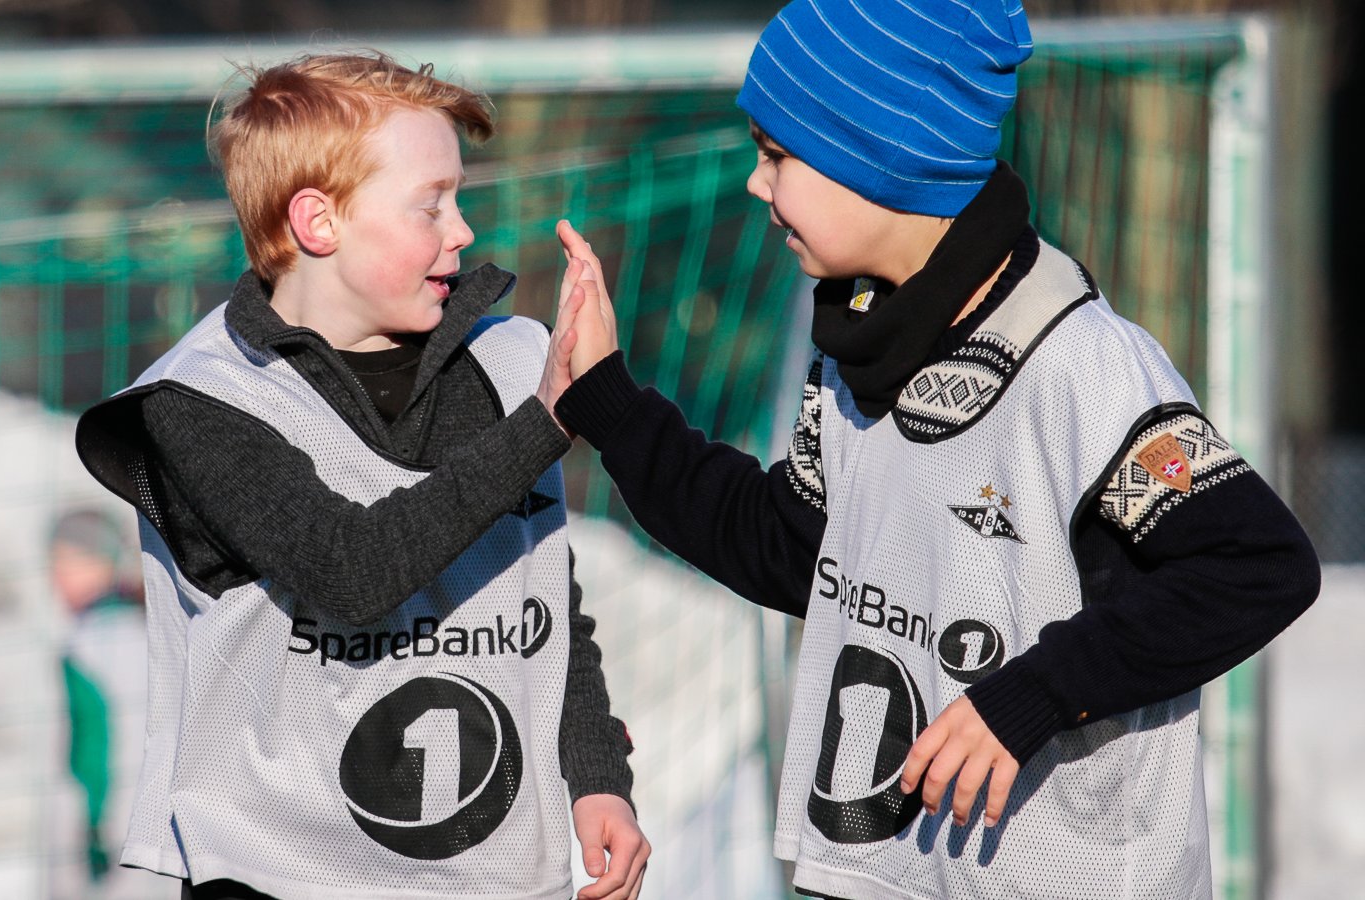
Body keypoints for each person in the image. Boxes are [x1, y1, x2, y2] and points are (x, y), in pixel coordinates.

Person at [548, 1, 1321, 898]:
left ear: (881, 162)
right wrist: (608, 401)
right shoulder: (853, 341)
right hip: (881, 875)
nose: (756, 187)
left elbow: (1256, 564)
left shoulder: (1085, 368)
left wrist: (1031, 695)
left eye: (778, 157)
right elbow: (789, 545)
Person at [74, 53, 648, 900]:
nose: (462, 232)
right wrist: (544, 425)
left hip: (488, 876)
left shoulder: (509, 366)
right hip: (277, 877)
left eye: (461, 199)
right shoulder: (201, 399)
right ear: (319, 222)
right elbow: (348, 568)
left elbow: (542, 602)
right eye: (431, 205)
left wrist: (596, 771)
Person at [48, 508, 157, 899]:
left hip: (108, 843)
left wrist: (96, 832)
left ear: (104, 561)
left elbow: (100, 747)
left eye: (67, 561)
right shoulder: (147, 629)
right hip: (147, 838)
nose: (55, 577)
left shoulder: (96, 643)